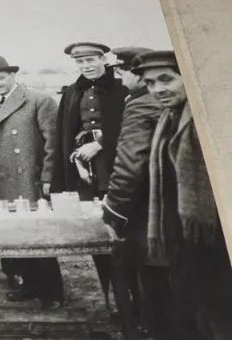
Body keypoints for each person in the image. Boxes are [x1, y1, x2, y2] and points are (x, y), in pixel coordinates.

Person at [135, 50, 232, 339]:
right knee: (198, 310)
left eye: (166, 79)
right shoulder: (169, 118)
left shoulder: (213, 117)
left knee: (221, 313)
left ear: (188, 76)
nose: (158, 89)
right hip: (185, 237)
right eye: (150, 83)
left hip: (216, 239)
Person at [0, 55, 63, 309]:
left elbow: (53, 143)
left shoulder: (38, 100)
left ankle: (52, 292)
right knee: (13, 235)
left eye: (0, 78)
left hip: (28, 180)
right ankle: (29, 286)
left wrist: (47, 178)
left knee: (37, 236)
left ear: (12, 76)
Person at [51, 42, 128, 306]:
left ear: (104, 59)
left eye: (92, 60)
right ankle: (108, 293)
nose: (87, 66)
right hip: (84, 172)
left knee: (119, 229)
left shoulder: (121, 88)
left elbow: (128, 125)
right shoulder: (73, 91)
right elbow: (63, 132)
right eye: (81, 62)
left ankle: (131, 298)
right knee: (95, 230)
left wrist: (101, 143)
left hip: (115, 167)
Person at [102, 46, 165, 337]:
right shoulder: (159, 100)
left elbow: (130, 162)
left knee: (152, 280)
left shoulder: (141, 103)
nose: (119, 77)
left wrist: (113, 211)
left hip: (146, 206)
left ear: (136, 75)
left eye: (121, 71)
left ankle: (145, 325)